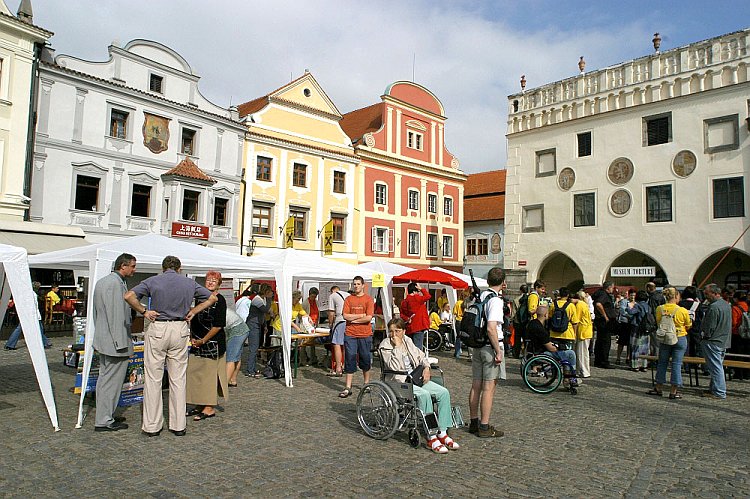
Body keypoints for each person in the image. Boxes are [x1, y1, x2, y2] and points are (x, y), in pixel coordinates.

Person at [124, 256, 216, 437]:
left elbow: (128, 295)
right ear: (179, 268)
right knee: (178, 378)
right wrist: (194, 311)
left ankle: (152, 426)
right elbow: (212, 298)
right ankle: (178, 425)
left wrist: (143, 311)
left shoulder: (153, 281)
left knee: (153, 378)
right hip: (180, 327)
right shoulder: (189, 283)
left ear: (163, 268)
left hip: (158, 326)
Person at [380, 318, 460, 454]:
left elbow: (421, 356)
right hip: (399, 382)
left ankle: (442, 432)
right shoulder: (385, 345)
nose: (394, 335)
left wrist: (426, 367)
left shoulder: (408, 341)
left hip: (415, 378)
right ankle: (431, 436)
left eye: (397, 331)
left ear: (403, 331)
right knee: (424, 395)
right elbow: (393, 367)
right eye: (391, 331)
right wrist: (397, 347)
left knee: (443, 392)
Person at [92, 253, 137, 432]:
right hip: (114, 343)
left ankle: (106, 414)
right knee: (110, 382)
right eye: (132, 266)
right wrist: (121, 343)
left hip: (105, 339)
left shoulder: (104, 282)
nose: (134, 269)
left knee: (105, 380)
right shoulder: (113, 284)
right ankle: (104, 420)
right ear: (123, 266)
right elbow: (115, 315)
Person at [468, 267, 505, 438]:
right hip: (490, 346)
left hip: (476, 345)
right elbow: (491, 328)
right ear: (503, 282)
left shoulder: (481, 296)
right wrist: (498, 350)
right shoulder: (495, 300)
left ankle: (474, 422)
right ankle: (484, 426)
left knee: (476, 385)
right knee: (489, 387)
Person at [186, 271, 228, 421]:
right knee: (196, 375)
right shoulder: (199, 299)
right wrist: (192, 337)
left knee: (209, 377)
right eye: (208, 280)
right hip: (197, 342)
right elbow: (194, 319)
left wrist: (203, 340)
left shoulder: (220, 300)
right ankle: (199, 403)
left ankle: (209, 407)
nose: (210, 283)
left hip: (212, 343)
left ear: (218, 284)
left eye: (213, 281)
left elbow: (218, 325)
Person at [648, 287, 691, 400]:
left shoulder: (660, 309)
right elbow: (688, 324)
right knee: (676, 364)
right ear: (676, 296)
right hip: (680, 337)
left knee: (662, 363)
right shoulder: (682, 310)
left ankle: (658, 387)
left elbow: (658, 322)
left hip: (665, 337)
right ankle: (673, 391)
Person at [526, 303, 579, 387]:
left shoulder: (532, 323)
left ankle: (568, 378)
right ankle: (569, 378)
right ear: (545, 314)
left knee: (565, 353)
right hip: (541, 353)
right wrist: (559, 348)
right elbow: (551, 348)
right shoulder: (540, 329)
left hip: (533, 350)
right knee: (570, 354)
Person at [338, 276, 374, 398]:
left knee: (365, 358)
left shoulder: (368, 299)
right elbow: (345, 316)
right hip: (350, 334)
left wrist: (354, 319)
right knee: (350, 358)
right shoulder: (348, 299)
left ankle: (366, 383)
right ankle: (348, 386)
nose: (356, 286)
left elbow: (368, 317)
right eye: (354, 284)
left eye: (358, 284)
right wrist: (360, 316)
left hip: (365, 334)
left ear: (363, 285)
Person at [700, 283, 732, 399]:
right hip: (723, 340)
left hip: (713, 340)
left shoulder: (714, 307)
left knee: (715, 367)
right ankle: (714, 389)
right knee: (716, 366)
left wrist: (705, 335)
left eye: (707, 294)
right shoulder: (726, 305)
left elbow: (710, 326)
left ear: (714, 293)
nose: (705, 296)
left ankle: (719, 391)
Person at [244, 283, 273, 378]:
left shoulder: (262, 299)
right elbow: (265, 310)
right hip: (253, 324)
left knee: (256, 347)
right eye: (270, 292)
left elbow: (262, 315)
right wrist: (269, 299)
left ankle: (252, 367)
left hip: (258, 324)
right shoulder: (257, 299)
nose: (272, 294)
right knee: (253, 348)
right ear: (266, 292)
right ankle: (249, 370)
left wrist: (264, 325)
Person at [592, 281, 616, 369]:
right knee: (605, 342)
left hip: (601, 321)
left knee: (600, 341)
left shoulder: (600, 293)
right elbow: (598, 304)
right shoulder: (603, 295)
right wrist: (605, 316)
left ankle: (598, 360)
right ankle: (604, 361)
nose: (613, 289)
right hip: (604, 322)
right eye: (612, 287)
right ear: (608, 287)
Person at [400, 282, 431, 351]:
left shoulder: (404, 301)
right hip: (419, 325)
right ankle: (417, 361)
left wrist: (407, 319)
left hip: (409, 326)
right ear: (414, 291)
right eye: (418, 291)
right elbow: (428, 296)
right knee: (418, 348)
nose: (419, 293)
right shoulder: (417, 298)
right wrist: (421, 289)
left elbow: (401, 314)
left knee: (410, 347)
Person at [224, 303, 249, 388]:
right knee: (236, 357)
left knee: (230, 358)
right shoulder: (224, 309)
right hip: (243, 329)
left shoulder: (218, 311)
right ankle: (233, 379)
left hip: (237, 331)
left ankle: (224, 383)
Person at [625, 290, 651, 372]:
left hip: (637, 327)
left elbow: (631, 312)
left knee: (635, 347)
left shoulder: (638, 305)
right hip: (646, 328)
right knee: (644, 348)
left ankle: (635, 365)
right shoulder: (648, 306)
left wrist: (628, 307)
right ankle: (644, 365)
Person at [327, 285, 349, 377]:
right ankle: (345, 366)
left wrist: (331, 325)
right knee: (345, 344)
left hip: (340, 320)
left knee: (336, 344)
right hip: (349, 321)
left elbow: (331, 313)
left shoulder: (332, 296)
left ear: (332, 291)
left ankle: (338, 368)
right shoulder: (348, 295)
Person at [548, 287, 578, 353]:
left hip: (554, 333)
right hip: (567, 333)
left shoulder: (553, 304)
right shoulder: (571, 306)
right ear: (568, 295)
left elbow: (549, 317)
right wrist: (575, 334)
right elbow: (574, 322)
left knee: (554, 353)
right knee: (567, 353)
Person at [574, 290, 593, 378]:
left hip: (582, 331)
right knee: (585, 352)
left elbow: (576, 320)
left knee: (581, 353)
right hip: (587, 330)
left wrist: (574, 333)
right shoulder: (585, 304)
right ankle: (584, 371)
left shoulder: (580, 305)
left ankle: (582, 371)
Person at [615, 289, 636, 365]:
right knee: (621, 342)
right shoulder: (624, 301)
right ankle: (618, 358)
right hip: (624, 323)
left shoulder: (636, 303)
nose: (632, 297)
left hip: (632, 324)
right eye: (631, 295)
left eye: (634, 295)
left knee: (630, 343)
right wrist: (631, 315)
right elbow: (623, 311)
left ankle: (628, 358)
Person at [300, 287, 320, 366]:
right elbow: (301, 315)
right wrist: (306, 322)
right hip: (306, 325)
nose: (314, 298)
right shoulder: (305, 303)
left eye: (315, 296)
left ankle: (313, 358)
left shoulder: (316, 302)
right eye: (312, 296)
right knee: (303, 343)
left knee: (312, 342)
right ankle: (303, 360)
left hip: (314, 324)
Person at [452, 289, 466, 359]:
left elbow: (454, 312)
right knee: (464, 336)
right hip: (464, 320)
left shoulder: (457, 303)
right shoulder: (465, 303)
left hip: (458, 320)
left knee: (458, 336)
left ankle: (457, 352)